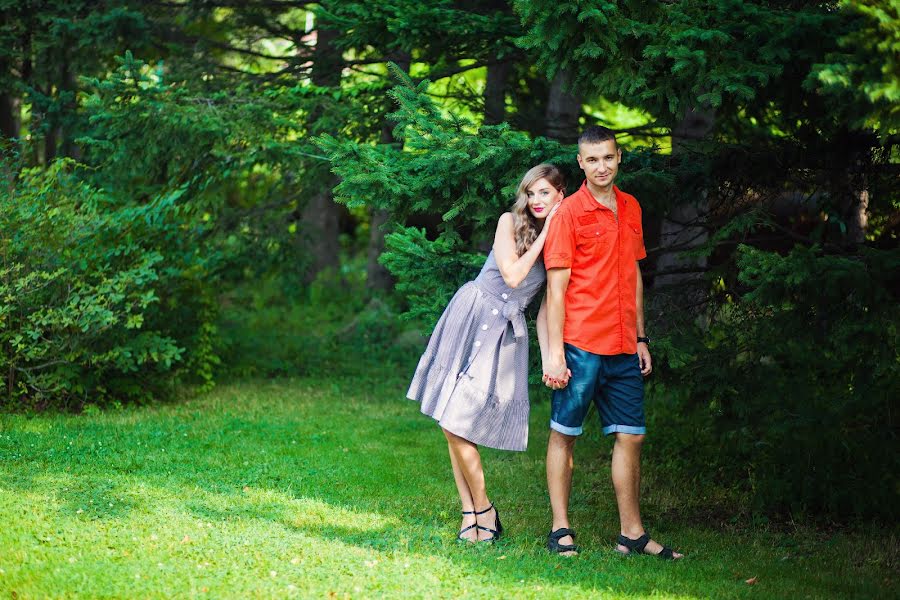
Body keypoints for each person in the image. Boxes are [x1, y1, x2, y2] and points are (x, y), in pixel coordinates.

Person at [541, 126, 683, 559]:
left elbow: (635, 273)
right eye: (592, 159)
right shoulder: (568, 214)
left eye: (608, 158)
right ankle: (560, 529)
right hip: (581, 343)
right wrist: (554, 352)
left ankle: (632, 534)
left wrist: (641, 336)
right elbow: (556, 288)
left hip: (623, 345)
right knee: (565, 434)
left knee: (632, 436)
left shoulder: (631, 207)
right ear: (580, 164)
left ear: (619, 158)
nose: (601, 166)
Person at [407, 164, 568, 543]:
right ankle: (477, 512)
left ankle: (480, 513)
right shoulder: (508, 222)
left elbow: (548, 306)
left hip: (503, 335)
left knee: (456, 421)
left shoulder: (563, 239)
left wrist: (550, 355)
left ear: (561, 195)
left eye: (545, 193)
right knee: (451, 420)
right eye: (532, 193)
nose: (537, 200)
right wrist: (544, 236)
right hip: (472, 314)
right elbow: (512, 276)